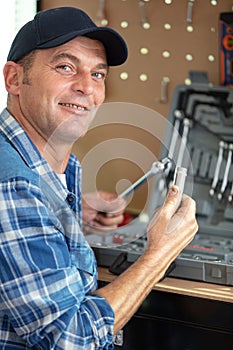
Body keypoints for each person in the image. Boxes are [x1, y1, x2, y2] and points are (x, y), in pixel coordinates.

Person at [0, 6, 198, 349]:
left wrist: (70, 221)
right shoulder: (13, 185)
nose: (86, 88)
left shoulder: (48, 168)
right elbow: (69, 339)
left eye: (98, 74)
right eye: (65, 67)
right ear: (14, 79)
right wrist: (159, 255)